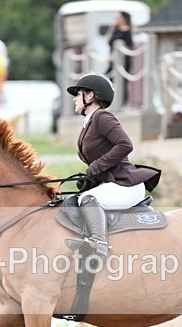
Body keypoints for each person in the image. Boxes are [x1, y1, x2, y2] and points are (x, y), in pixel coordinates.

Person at [64, 73, 160, 259]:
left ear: (90, 96)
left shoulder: (102, 117)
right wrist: (90, 178)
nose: (74, 99)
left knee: (88, 199)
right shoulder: (89, 123)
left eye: (78, 94)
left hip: (126, 185)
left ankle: (98, 245)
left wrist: (95, 168)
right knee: (80, 197)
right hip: (113, 184)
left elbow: (125, 145)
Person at [105, 11, 134, 105]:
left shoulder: (126, 31)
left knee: (122, 82)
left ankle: (122, 102)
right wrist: (111, 29)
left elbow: (130, 46)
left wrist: (119, 53)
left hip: (123, 61)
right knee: (106, 78)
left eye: (118, 17)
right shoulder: (115, 30)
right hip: (113, 60)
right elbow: (108, 42)